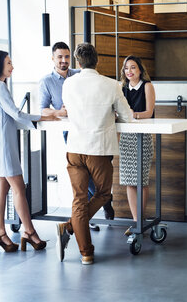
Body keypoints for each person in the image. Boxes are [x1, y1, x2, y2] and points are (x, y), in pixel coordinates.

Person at [56, 43, 132, 265]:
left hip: (74, 148)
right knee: (103, 194)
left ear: (78, 63)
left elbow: (69, 110)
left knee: (79, 199)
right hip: (98, 149)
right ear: (97, 61)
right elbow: (127, 117)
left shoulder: (68, 83)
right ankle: (70, 227)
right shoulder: (111, 84)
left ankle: (86, 253)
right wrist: (113, 115)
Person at [0, 50, 59, 254]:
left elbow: (10, 116)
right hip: (5, 146)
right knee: (19, 188)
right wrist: (42, 117)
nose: (12, 67)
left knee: (2, 189)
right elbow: (15, 113)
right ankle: (29, 232)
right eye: (9, 63)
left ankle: (0, 233)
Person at [39, 41, 114, 231]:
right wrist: (58, 112)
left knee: (92, 170)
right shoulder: (46, 82)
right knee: (84, 176)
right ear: (52, 59)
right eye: (60, 57)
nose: (64, 61)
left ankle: (91, 210)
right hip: (70, 132)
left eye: (66, 57)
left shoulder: (80, 74)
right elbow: (42, 109)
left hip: (92, 129)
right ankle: (100, 203)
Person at [119, 55, 156, 236]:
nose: (129, 71)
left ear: (140, 70)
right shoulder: (122, 88)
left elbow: (150, 112)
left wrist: (134, 115)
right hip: (126, 138)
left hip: (142, 136)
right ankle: (136, 222)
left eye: (133, 67)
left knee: (141, 180)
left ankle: (140, 221)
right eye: (126, 68)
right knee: (129, 181)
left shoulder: (147, 86)